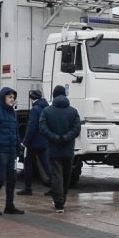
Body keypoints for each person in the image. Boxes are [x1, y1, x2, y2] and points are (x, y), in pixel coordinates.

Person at [39, 85, 81, 213]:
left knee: (57, 176)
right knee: (66, 176)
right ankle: (63, 199)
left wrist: (56, 138)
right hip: (68, 149)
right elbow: (76, 129)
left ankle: (59, 204)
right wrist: (65, 138)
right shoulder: (73, 111)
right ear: (65, 95)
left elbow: (43, 128)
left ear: (54, 95)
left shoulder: (47, 111)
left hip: (53, 148)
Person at [0, 87, 25, 215]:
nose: (12, 99)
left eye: (13, 97)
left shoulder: (13, 113)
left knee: (12, 178)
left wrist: (18, 147)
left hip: (12, 152)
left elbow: (15, 131)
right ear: (3, 98)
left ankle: (9, 205)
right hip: (1, 151)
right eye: (9, 97)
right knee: (0, 179)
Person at [18, 89, 54, 196]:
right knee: (46, 164)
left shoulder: (35, 109)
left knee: (28, 163)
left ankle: (28, 188)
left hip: (33, 143)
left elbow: (31, 127)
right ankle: (54, 186)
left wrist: (25, 142)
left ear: (32, 99)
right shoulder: (47, 108)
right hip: (44, 142)